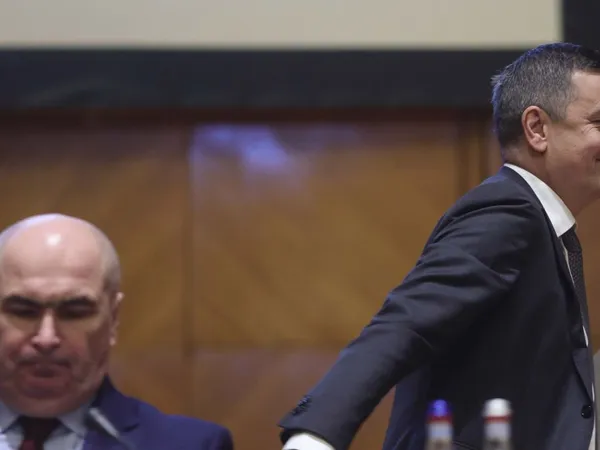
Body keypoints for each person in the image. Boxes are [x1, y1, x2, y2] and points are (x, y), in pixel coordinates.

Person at [278, 42, 600, 450]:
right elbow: (409, 321)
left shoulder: (543, 223)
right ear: (537, 128)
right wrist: (315, 434)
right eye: (598, 121)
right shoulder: (510, 211)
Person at [0, 214, 233, 449]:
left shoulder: (194, 445)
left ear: (113, 319)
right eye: (23, 312)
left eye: (74, 313)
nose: (46, 338)